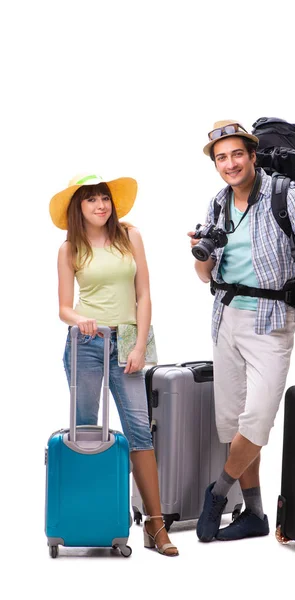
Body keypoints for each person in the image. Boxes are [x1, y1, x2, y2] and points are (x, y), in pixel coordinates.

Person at [188, 120, 295, 543]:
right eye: (221, 158)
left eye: (237, 154)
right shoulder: (218, 203)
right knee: (232, 421)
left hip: (271, 320)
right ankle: (253, 512)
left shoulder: (290, 196)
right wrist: (200, 250)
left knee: (257, 420)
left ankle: (216, 494)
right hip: (225, 316)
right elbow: (204, 276)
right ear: (215, 164)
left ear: (253, 155)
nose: (230, 164)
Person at [50, 173, 178, 557]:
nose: (100, 205)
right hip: (87, 342)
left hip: (126, 341)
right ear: (79, 207)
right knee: (88, 431)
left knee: (140, 428)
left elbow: (143, 293)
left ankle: (155, 526)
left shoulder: (130, 236)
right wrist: (79, 320)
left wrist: (139, 344)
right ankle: (93, 514)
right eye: (91, 200)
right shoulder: (69, 248)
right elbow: (63, 308)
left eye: (104, 198)